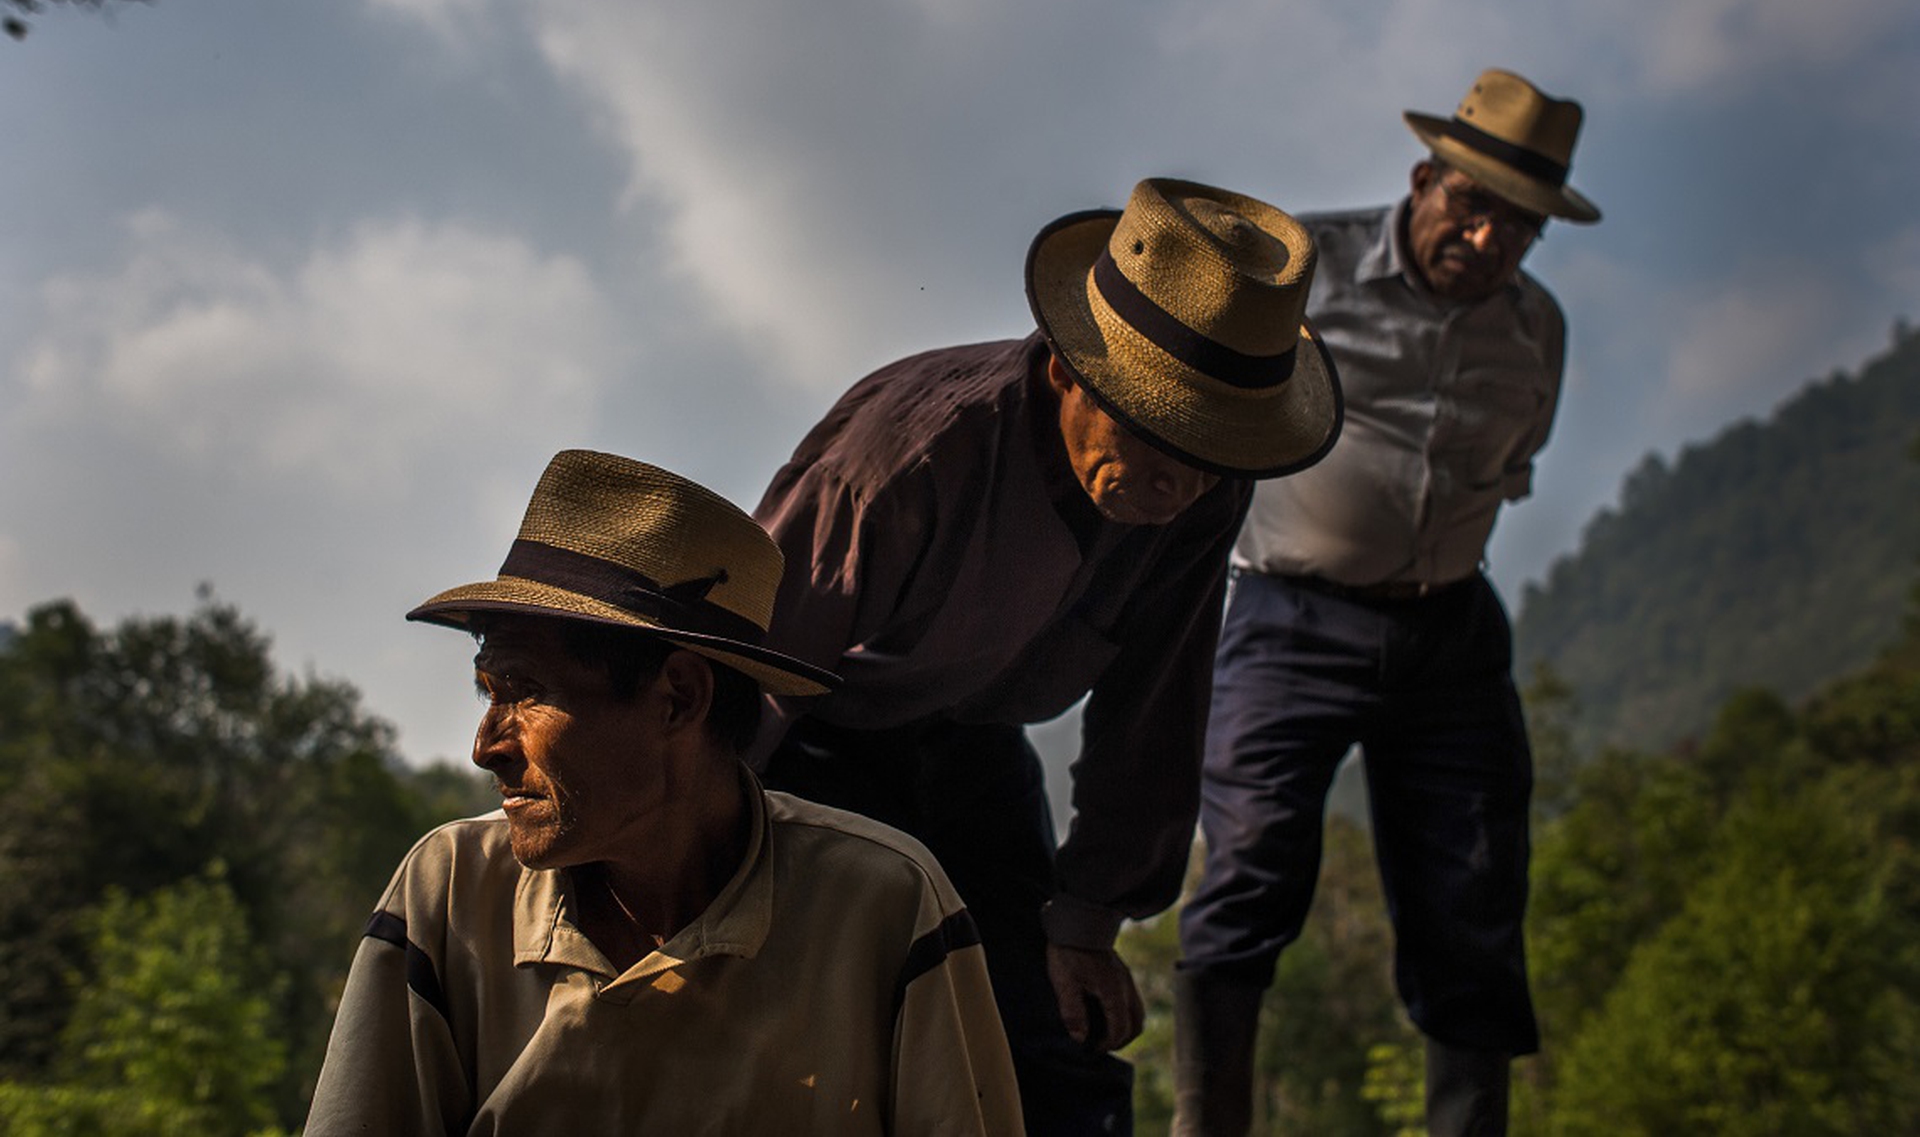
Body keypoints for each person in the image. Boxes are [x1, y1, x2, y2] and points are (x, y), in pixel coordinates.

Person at [752, 177, 1344, 1135]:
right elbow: (744, 675)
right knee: (823, 1042)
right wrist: (689, 862)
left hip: (976, 749)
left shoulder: (1201, 495)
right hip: (813, 741)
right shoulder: (908, 460)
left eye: (1205, 452)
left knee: (1056, 1052)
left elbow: (1157, 706)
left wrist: (1087, 917)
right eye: (1152, 432)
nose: (1175, 481)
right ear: (1071, 374)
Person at [305, 449, 1024, 1136]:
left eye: (525, 693)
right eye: (488, 691)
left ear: (678, 696)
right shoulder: (451, 890)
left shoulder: (887, 903)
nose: (486, 744)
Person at [1172, 69, 1602, 1137]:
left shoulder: (1536, 331)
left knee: (1474, 885)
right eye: (1473, 205)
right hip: (1289, 616)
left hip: (1451, 628)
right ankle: (1204, 1119)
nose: (1490, 238)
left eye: (1521, 226)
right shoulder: (1308, 277)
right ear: (1424, 178)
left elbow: (1516, 464)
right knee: (1252, 859)